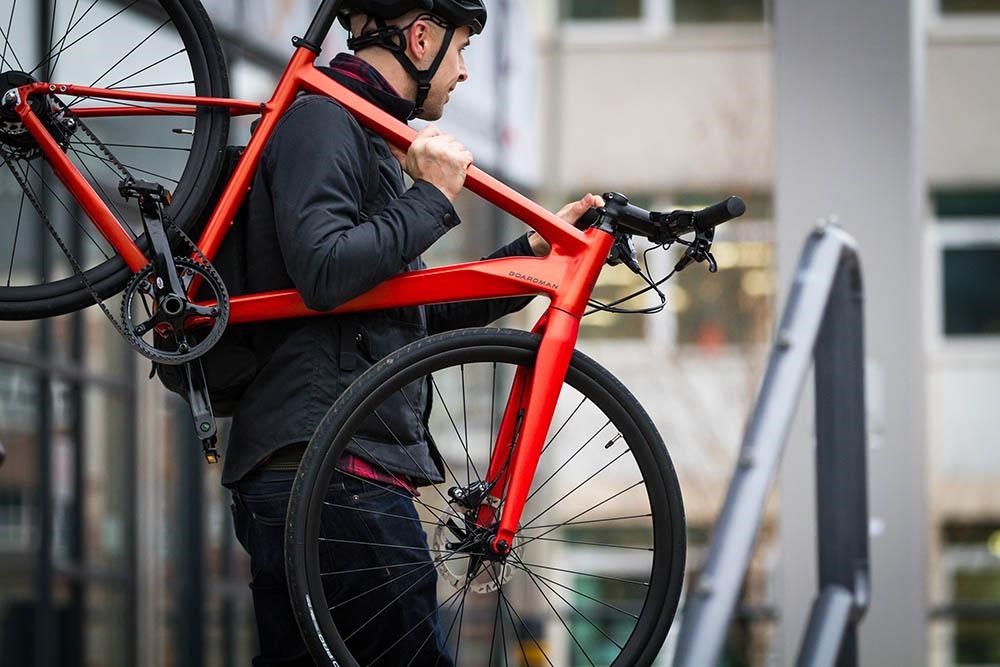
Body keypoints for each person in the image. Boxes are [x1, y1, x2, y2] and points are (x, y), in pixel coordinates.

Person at [223, 1, 601, 664]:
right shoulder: (324, 118)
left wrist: (531, 255)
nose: (462, 73)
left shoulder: (363, 134)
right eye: (460, 50)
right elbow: (325, 268)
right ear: (419, 37)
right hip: (336, 466)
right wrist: (430, 198)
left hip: (320, 465)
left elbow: (404, 310)